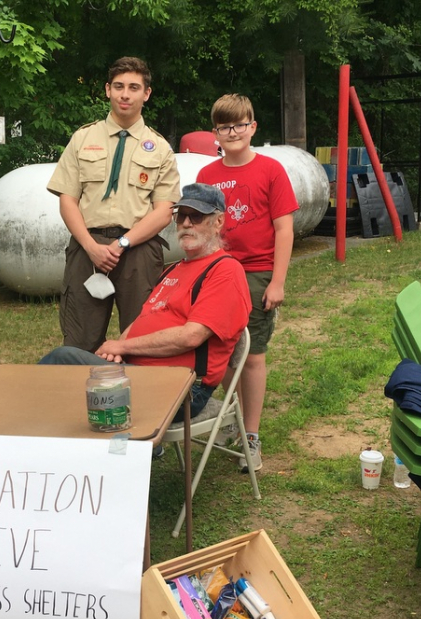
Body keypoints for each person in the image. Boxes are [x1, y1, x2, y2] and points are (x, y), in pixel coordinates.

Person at [39, 183, 251, 420]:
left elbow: (192, 336)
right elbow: (143, 319)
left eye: (197, 217)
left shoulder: (225, 271)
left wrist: (122, 347)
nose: (187, 224)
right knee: (62, 381)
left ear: (219, 222)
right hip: (139, 375)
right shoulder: (174, 269)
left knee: (62, 360)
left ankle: (19, 430)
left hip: (181, 387)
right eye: (181, 217)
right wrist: (119, 350)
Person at [46, 56, 181, 353]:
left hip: (138, 250)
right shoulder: (82, 138)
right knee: (79, 339)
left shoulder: (159, 148)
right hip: (87, 247)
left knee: (141, 338)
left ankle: (144, 398)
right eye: (118, 86)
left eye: (134, 87)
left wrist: (121, 243)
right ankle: (80, 397)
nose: (125, 94)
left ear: (146, 94)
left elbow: (163, 212)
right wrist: (91, 247)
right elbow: (67, 199)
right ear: (108, 90)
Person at [196, 94, 298, 473]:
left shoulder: (271, 170)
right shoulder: (207, 176)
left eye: (241, 124)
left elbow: (284, 229)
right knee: (221, 352)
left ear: (253, 127)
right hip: (219, 271)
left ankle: (251, 436)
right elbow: (200, 229)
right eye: (225, 126)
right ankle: (233, 419)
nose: (233, 132)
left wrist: (277, 282)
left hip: (257, 273)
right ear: (215, 134)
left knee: (252, 355)